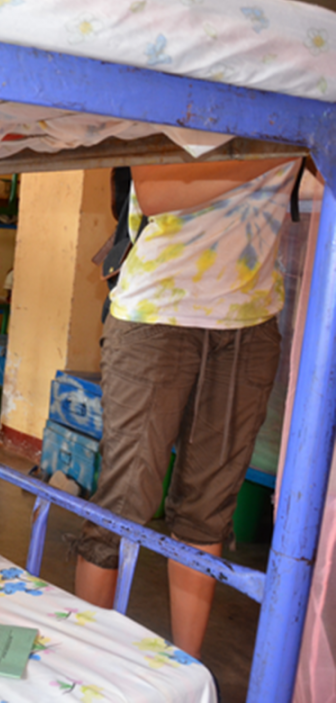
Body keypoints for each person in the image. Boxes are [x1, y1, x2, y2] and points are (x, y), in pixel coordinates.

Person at [74, 156, 301, 658]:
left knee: (208, 511)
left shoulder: (307, 108)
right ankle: (85, 665)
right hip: (157, 315)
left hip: (249, 323)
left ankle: (188, 667)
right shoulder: (265, 130)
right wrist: (282, 149)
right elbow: (156, 192)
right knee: (124, 501)